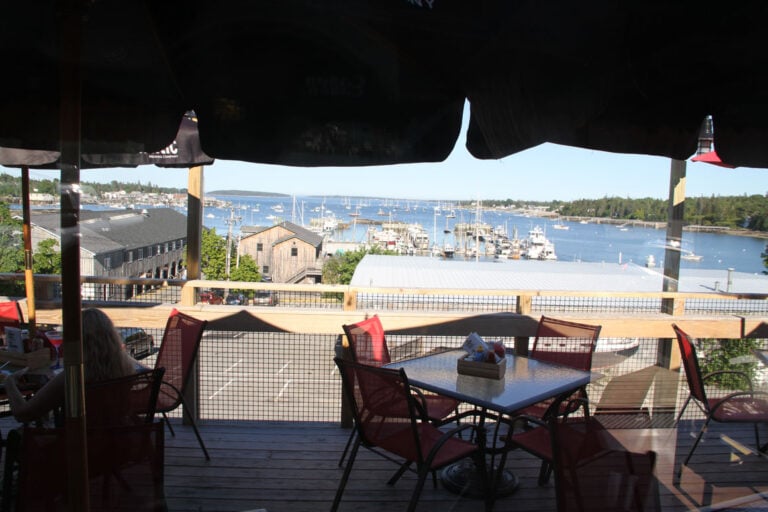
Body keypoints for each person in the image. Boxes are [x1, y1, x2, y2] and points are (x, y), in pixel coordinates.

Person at [3, 308, 139, 424]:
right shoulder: (126, 369)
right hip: (118, 444)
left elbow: (23, 414)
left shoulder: (74, 376)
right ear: (111, 336)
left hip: (76, 446)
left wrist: (9, 382)